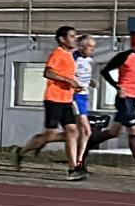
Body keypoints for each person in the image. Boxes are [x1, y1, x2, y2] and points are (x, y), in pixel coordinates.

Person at [11, 26, 88, 182]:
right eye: (72, 36)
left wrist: (75, 85)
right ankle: (20, 152)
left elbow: (66, 76)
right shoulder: (57, 54)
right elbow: (48, 72)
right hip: (54, 100)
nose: (75, 39)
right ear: (62, 39)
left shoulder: (70, 56)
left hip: (66, 99)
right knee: (50, 135)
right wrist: (68, 81)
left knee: (73, 132)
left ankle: (73, 168)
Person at [82, 32, 135, 175]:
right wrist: (117, 86)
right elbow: (105, 71)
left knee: (113, 132)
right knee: (134, 130)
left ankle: (83, 150)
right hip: (124, 98)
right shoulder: (124, 56)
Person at [29, 34, 98, 169]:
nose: (92, 50)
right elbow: (62, 74)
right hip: (72, 96)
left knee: (74, 132)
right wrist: (71, 84)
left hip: (84, 96)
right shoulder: (71, 57)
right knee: (85, 130)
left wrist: (88, 82)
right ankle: (77, 163)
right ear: (82, 47)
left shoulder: (89, 59)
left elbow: (79, 75)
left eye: (94, 47)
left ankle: (41, 141)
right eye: (90, 47)